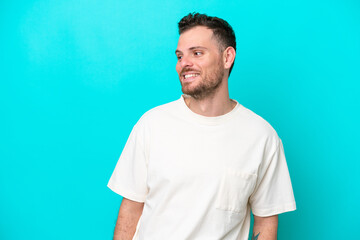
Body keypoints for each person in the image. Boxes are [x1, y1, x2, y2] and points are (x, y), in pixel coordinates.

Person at [108, 12, 296, 240]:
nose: (183, 64)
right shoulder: (152, 124)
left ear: (227, 58)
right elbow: (131, 209)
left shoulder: (262, 136)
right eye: (179, 56)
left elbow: (265, 223)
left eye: (197, 53)